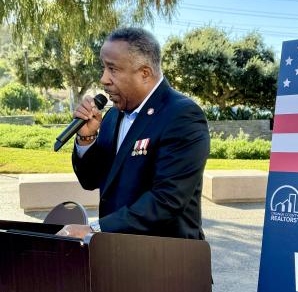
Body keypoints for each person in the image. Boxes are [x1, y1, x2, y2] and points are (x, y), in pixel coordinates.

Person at [59, 27, 210, 240]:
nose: (104, 79)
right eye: (104, 67)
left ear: (144, 73)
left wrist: (95, 229)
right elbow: (90, 180)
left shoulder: (182, 115)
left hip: (167, 261)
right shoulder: (112, 116)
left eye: (113, 69)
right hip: (119, 256)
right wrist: (86, 138)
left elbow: (166, 200)